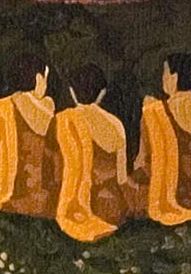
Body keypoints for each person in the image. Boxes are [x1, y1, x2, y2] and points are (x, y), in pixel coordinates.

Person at [0, 56, 59, 218]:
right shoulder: (48, 105)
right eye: (45, 78)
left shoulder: (4, 105)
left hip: (16, 185)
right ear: (38, 78)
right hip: (45, 186)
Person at [52, 64, 138, 242]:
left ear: (72, 92)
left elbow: (59, 170)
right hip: (114, 207)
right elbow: (122, 178)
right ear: (102, 93)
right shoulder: (116, 124)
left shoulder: (64, 119)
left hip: (80, 207)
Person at [136, 52, 191, 225]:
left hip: (178, 183)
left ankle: (166, 200)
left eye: (165, 73)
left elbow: (146, 158)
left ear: (174, 77)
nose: (163, 79)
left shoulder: (162, 108)